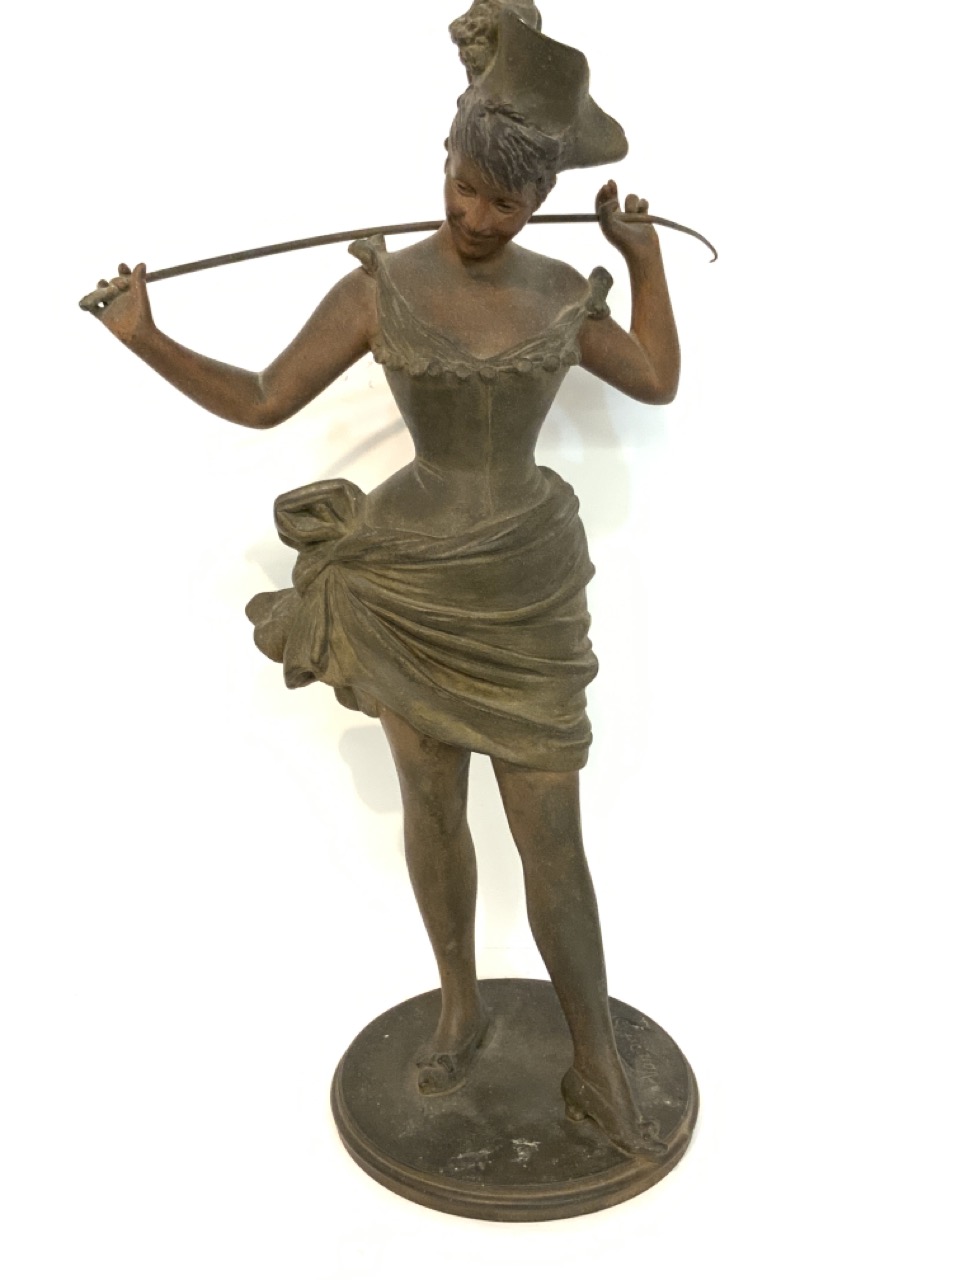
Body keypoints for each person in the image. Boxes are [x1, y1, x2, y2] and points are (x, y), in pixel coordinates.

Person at [85, 8, 680, 1158]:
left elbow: (654, 376)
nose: (476, 216)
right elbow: (265, 397)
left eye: (504, 202)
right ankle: (459, 1003)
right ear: (444, 157)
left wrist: (645, 262)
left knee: (551, 833)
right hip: (410, 582)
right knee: (432, 802)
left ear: (539, 201)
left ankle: (596, 1058)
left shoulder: (562, 291)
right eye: (464, 186)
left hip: (522, 587)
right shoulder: (378, 288)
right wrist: (146, 336)